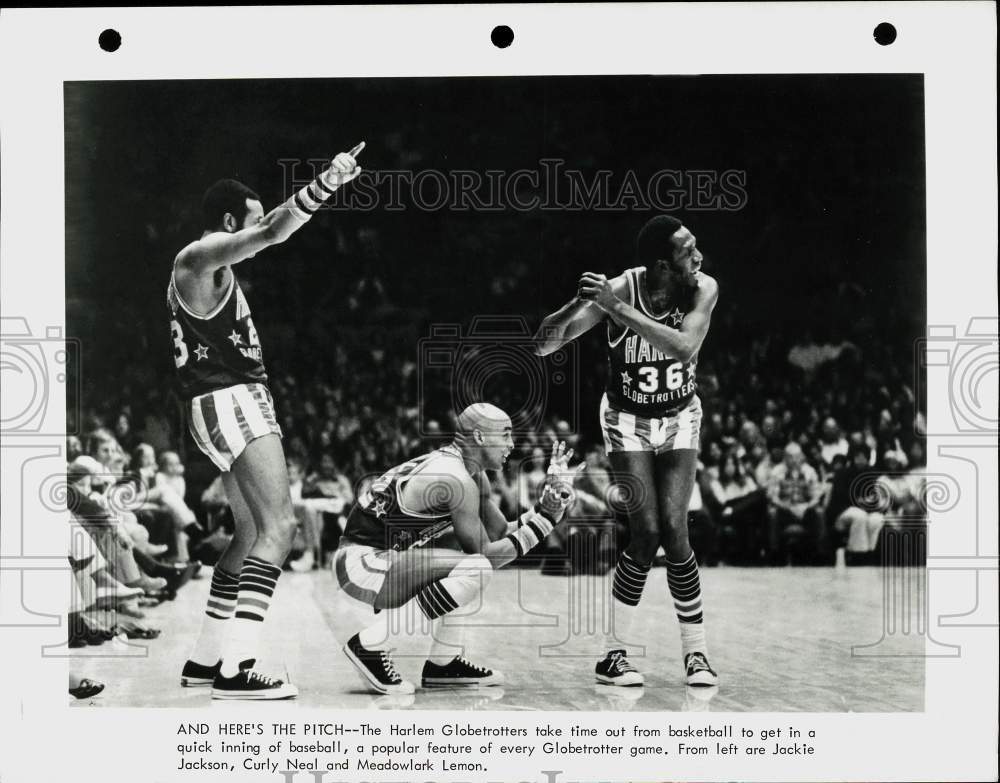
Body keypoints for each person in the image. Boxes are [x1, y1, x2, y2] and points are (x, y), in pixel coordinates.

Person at [171, 142, 365, 699]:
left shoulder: (209, 271)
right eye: (251, 221)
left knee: (250, 532)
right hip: (230, 398)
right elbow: (277, 229)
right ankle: (239, 669)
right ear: (231, 222)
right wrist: (327, 182)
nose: (258, 233)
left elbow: (270, 231)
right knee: (280, 529)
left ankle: (207, 659)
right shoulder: (197, 257)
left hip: (222, 401)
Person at [534, 214, 720, 687]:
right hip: (627, 420)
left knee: (676, 530)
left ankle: (696, 655)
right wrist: (575, 304)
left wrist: (616, 308)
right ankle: (612, 655)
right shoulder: (622, 288)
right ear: (662, 264)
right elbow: (543, 345)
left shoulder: (703, 288)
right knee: (647, 532)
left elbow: (682, 347)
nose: (698, 256)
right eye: (687, 252)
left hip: (680, 415)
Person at [334, 403, 582, 694]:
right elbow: (488, 555)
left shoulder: (472, 473)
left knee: (467, 566)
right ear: (478, 437)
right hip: (360, 562)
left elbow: (500, 532)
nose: (512, 445)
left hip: (384, 558)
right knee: (474, 567)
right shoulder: (454, 477)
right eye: (504, 435)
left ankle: (444, 664)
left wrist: (548, 505)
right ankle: (371, 646)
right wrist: (546, 520)